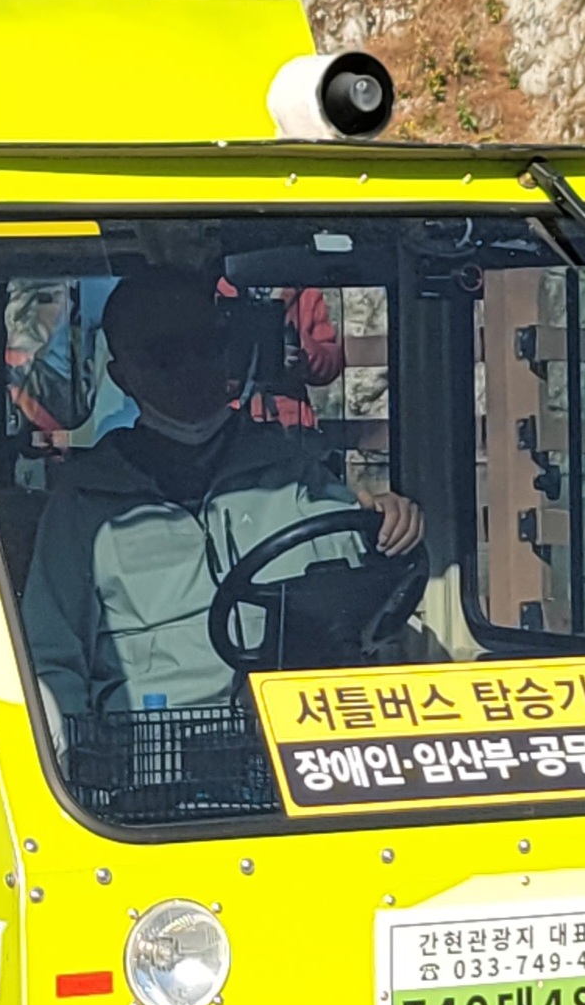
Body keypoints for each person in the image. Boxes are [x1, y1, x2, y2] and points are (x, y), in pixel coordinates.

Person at [22, 265, 423, 724]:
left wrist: (389, 525)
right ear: (123, 375)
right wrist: (74, 754)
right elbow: (50, 660)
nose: (192, 367)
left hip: (294, 725)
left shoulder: (289, 471)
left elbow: (360, 579)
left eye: (208, 346)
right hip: (153, 746)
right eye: (165, 355)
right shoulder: (84, 504)